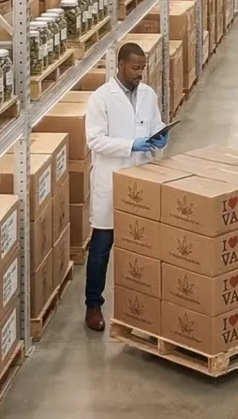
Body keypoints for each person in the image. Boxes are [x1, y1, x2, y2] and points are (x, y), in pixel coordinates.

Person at [83, 42, 166, 332]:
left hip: (140, 181)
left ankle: (140, 308)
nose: (140, 73)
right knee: (102, 247)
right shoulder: (101, 99)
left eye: (142, 67)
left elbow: (155, 124)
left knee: (142, 246)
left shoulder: (148, 94)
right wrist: (131, 145)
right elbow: (94, 140)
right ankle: (93, 306)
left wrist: (158, 140)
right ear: (120, 65)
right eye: (135, 68)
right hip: (111, 180)